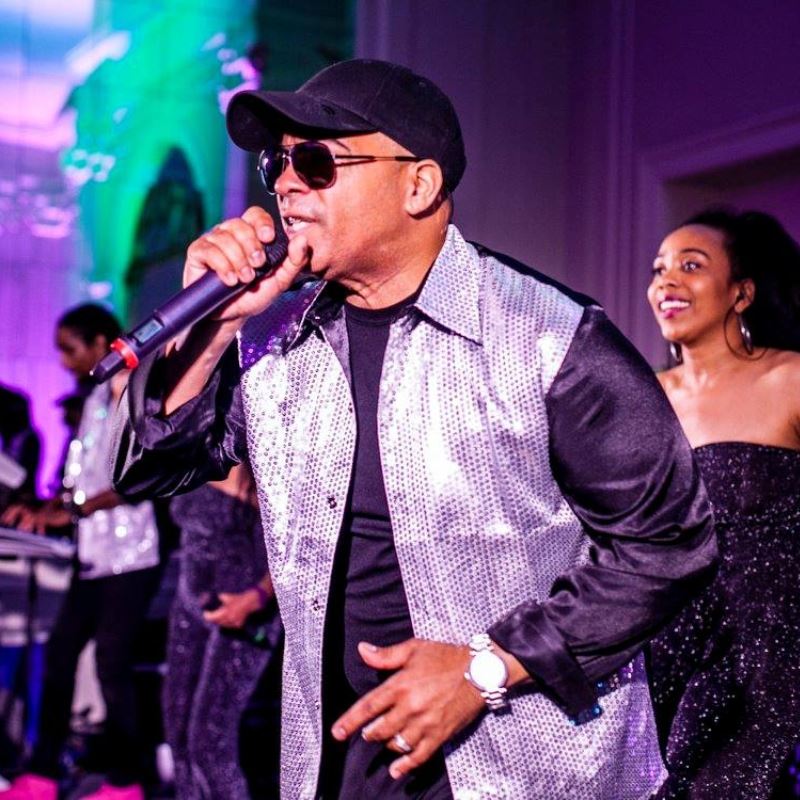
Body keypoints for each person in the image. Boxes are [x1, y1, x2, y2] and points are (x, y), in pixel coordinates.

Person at [110, 59, 717, 799]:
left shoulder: (550, 338)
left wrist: (485, 667)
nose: (287, 184)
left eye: (316, 161)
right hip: (341, 763)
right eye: (277, 164)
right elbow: (144, 467)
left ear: (419, 185)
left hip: (520, 765)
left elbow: (670, 546)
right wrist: (211, 329)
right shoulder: (273, 343)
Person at [646, 208, 800, 799]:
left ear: (742, 292)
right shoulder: (640, 397)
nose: (667, 280)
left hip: (773, 661)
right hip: (666, 656)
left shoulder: (789, 380)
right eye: (659, 269)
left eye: (691, 265)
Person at [1, 304, 160, 800]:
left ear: (99, 345)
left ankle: (126, 781)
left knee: (112, 666)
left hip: (130, 557)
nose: (63, 361)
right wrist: (41, 509)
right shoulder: (92, 398)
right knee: (60, 655)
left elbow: (139, 477)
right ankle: (42, 774)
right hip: (92, 556)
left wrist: (72, 509)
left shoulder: (130, 389)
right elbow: (85, 480)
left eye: (69, 349)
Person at [164, 462, 282, 799]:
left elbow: (295, 546)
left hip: (244, 614)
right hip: (190, 608)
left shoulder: (263, 461)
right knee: (178, 735)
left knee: (208, 744)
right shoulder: (199, 449)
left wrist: (257, 597)